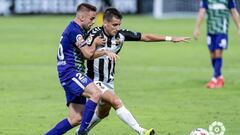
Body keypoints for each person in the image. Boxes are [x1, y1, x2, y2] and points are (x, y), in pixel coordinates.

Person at [76, 8, 190, 135]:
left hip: (109, 82)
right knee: (116, 102)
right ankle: (142, 131)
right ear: (105, 23)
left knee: (103, 112)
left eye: (119, 24)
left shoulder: (120, 35)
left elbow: (145, 37)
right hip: (94, 81)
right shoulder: (95, 35)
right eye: (114, 25)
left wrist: (170, 38)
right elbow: (85, 54)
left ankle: (80, 132)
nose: (117, 28)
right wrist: (103, 52)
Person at [45, 3, 106, 135]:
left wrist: (104, 52)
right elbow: (88, 54)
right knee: (96, 94)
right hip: (71, 73)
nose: (94, 22)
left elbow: (85, 56)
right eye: (91, 18)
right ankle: (82, 132)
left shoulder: (77, 30)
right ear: (82, 17)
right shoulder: (75, 31)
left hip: (70, 73)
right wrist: (95, 43)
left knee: (76, 118)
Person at [194, 0, 240, 89]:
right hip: (210, 30)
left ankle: (214, 79)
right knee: (212, 54)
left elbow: (233, 11)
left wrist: (239, 26)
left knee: (218, 52)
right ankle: (220, 77)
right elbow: (202, 12)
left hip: (222, 30)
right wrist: (197, 28)